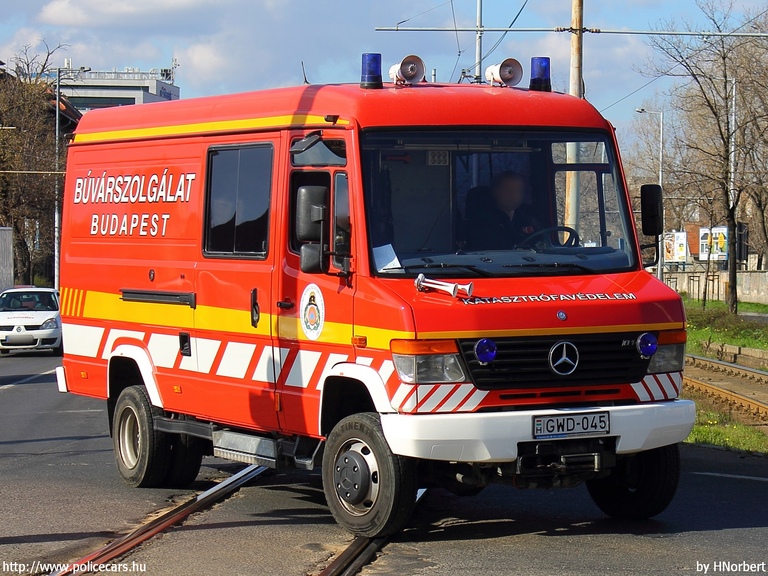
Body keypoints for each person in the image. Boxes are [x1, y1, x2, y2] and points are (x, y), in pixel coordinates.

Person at [465, 171, 539, 250]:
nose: (513, 195)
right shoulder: (481, 223)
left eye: (517, 190)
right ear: (496, 192)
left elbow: (542, 246)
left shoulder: (530, 221)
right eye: (508, 190)